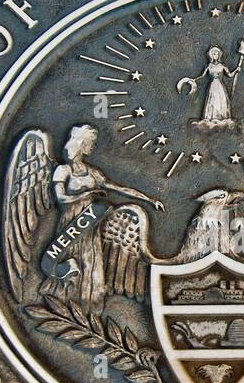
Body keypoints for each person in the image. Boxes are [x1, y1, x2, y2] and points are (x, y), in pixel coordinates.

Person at [39, 124, 163, 311]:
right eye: (91, 143)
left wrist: (149, 199)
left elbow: (119, 188)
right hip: (73, 226)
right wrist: (89, 194)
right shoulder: (63, 170)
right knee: (74, 262)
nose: (93, 147)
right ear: (81, 143)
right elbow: (61, 198)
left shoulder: (94, 173)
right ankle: (64, 306)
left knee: (91, 265)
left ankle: (89, 308)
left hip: (91, 226)